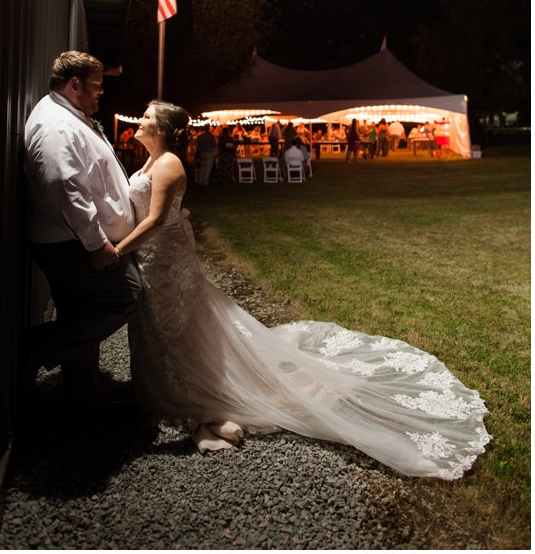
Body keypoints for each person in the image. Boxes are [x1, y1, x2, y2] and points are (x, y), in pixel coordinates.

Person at [113, 100, 490, 476]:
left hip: (166, 257)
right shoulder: (149, 162)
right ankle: (171, 388)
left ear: (162, 129)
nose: (139, 120)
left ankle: (203, 395)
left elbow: (158, 220)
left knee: (178, 325)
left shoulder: (169, 164)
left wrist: (116, 250)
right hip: (154, 260)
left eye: (145, 116)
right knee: (165, 327)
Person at [22, 51, 143, 409]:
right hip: (72, 243)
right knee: (128, 297)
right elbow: (64, 186)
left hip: (73, 240)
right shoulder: (56, 126)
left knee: (78, 311)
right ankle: (32, 347)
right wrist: (97, 244)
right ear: (74, 84)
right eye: (96, 86)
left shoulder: (68, 115)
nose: (101, 93)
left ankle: (83, 392)